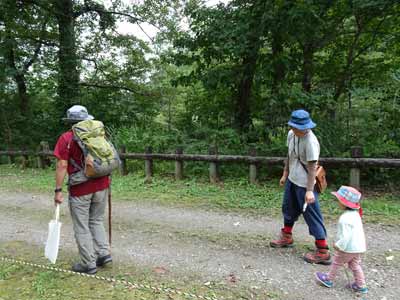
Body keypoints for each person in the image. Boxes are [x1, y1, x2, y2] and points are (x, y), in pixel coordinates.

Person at [54, 105, 112, 274]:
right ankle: (104, 254)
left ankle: (88, 263)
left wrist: (58, 190)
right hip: (102, 183)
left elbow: (62, 165)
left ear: (70, 122)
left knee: (81, 226)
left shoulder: (66, 138)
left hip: (81, 189)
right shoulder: (98, 134)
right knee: (96, 220)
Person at [270, 109, 331, 264]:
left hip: (306, 184)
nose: (302, 130)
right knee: (288, 208)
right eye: (298, 127)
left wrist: (310, 191)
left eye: (304, 127)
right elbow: (289, 155)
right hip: (293, 178)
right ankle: (287, 236)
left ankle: (323, 250)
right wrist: (285, 174)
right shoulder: (291, 135)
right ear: (292, 126)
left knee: (312, 214)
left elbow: (312, 168)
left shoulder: (311, 141)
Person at [315, 186, 367, 293]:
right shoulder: (355, 214)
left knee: (336, 262)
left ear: (344, 203)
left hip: (347, 248)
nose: (337, 202)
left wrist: (338, 245)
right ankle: (361, 285)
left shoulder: (345, 218)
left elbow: (346, 237)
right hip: (358, 247)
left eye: (338, 200)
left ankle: (329, 279)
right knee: (355, 265)